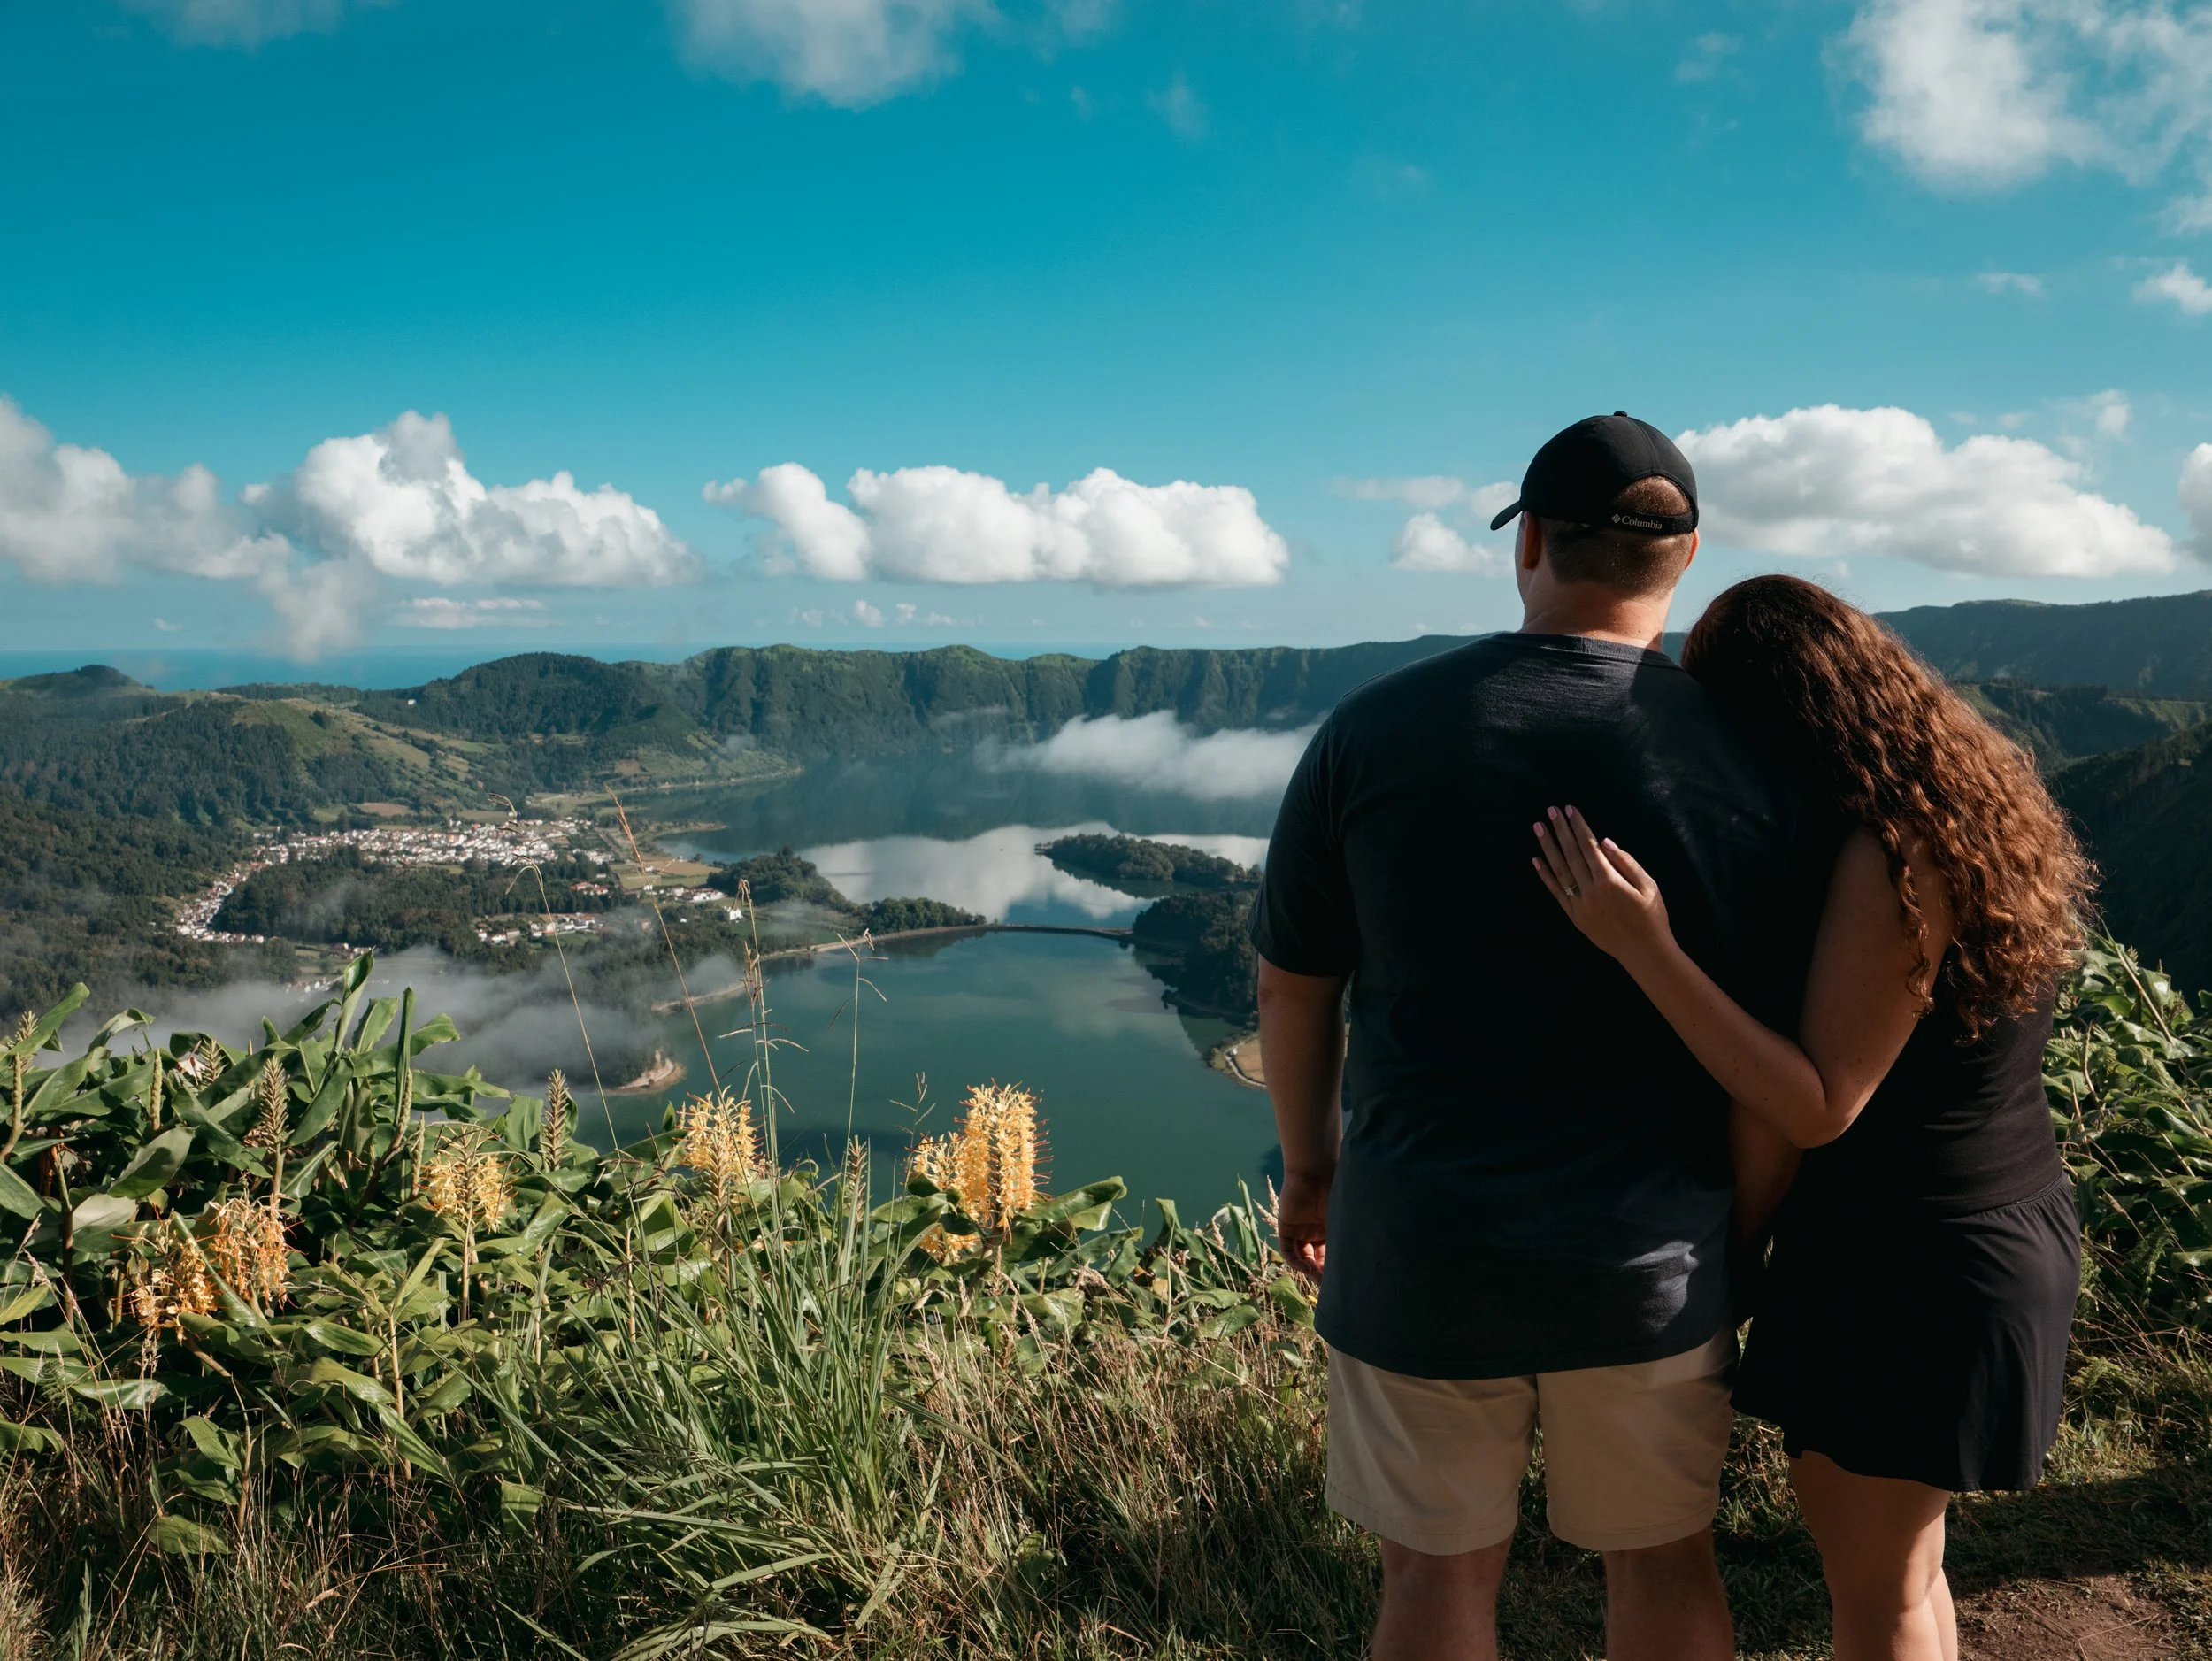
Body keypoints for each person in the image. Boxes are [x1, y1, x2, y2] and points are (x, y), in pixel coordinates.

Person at [1254, 414, 1827, 1661]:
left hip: (1420, 1248)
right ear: (1683, 562)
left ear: (1530, 547)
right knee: (1665, 1566)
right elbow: (1781, 1049)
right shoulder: (1757, 758)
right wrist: (1731, 1230)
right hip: (1650, 1260)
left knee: (1434, 1583)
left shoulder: (1371, 731)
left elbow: (1293, 989)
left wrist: (1312, 1170)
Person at [1530, 573, 2090, 1661]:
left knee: (1875, 1594)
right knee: (1904, 1573)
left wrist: (1641, 944)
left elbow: (1819, 1102)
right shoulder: (1964, 810)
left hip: (1908, 1266)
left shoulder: (1889, 860)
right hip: (1983, 1228)